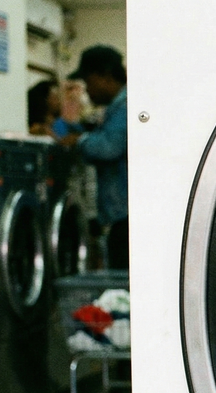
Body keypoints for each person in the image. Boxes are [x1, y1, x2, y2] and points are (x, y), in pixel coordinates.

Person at [60, 45, 129, 270]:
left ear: (105, 76)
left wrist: (79, 141)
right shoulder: (117, 107)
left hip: (126, 217)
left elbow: (110, 146)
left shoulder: (126, 105)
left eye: (88, 82)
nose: (87, 90)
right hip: (121, 214)